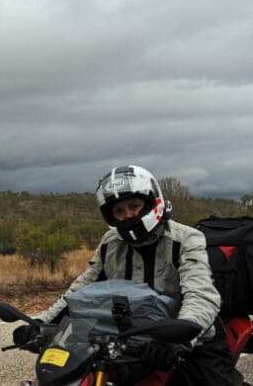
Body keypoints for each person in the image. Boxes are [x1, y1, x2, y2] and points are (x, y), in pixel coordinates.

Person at [13, 165, 235, 386]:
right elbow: (80, 289)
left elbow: (201, 295)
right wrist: (40, 323)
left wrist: (178, 341)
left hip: (187, 341)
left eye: (134, 206)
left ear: (151, 202)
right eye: (119, 211)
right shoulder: (111, 243)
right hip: (129, 339)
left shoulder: (185, 239)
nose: (128, 215)